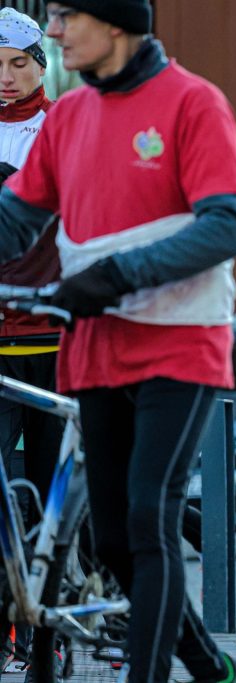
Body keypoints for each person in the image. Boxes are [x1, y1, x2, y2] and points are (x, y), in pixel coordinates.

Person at [0, 2, 236, 681]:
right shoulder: (70, 118)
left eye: (65, 16)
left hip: (180, 344)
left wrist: (114, 276)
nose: (53, 31)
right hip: (95, 349)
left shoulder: (194, 102)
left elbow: (227, 226)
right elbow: (15, 219)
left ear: (113, 22)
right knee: (110, 539)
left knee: (148, 517)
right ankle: (212, 668)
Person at [0, 8, 61, 672]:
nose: (6, 77)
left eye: (18, 63)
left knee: (51, 495)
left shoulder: (60, 126)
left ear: (41, 65)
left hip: (51, 337)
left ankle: (47, 634)